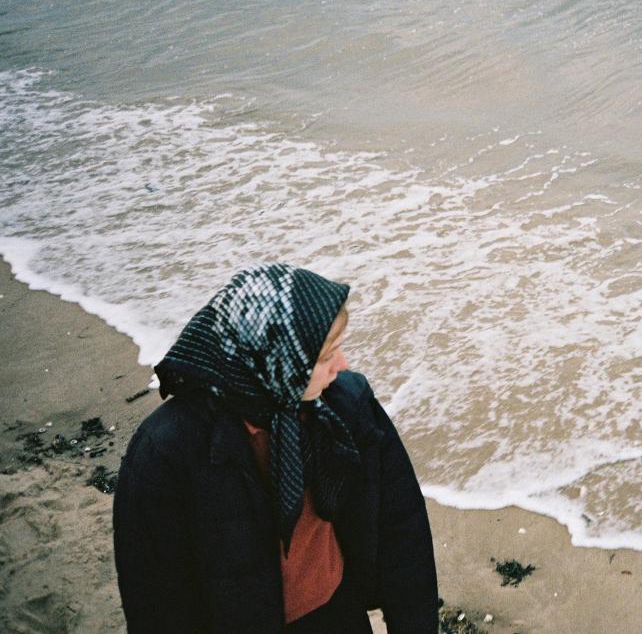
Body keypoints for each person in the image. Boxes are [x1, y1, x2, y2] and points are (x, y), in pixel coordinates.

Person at [113, 263, 438, 633]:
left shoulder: (346, 407)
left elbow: (403, 534)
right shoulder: (167, 451)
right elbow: (157, 599)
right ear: (274, 361)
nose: (343, 366)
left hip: (338, 612)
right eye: (326, 356)